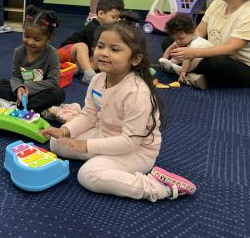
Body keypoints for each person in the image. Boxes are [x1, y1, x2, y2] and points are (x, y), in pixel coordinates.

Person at [40, 22, 197, 202]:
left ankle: (159, 188)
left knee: (88, 175)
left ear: (135, 59)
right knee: (56, 143)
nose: (104, 53)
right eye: (100, 46)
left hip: (137, 151)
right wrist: (64, 131)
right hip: (105, 135)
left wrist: (85, 145)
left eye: (114, 49)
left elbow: (129, 142)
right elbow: (89, 115)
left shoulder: (137, 92)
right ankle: (102, 158)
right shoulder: (98, 79)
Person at [169, 0, 250, 89]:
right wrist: (183, 45)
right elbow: (199, 32)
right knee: (172, 42)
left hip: (239, 65)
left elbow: (232, 48)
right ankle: (192, 72)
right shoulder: (218, 2)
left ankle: (187, 70)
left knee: (217, 62)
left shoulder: (247, 12)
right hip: (212, 52)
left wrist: (192, 53)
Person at [0, 5, 65, 112]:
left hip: (40, 92)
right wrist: (19, 88)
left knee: (58, 93)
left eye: (37, 39)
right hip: (21, 92)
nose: (30, 42)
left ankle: (17, 106)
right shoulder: (19, 51)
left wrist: (27, 87)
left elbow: (53, 82)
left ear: (48, 39)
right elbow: (16, 76)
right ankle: (29, 106)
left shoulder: (52, 54)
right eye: (26, 36)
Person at [58, 0, 124, 83]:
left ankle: (78, 70)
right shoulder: (93, 28)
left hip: (78, 59)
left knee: (102, 60)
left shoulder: (104, 29)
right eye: (113, 17)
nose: (116, 21)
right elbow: (96, 51)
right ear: (101, 14)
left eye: (117, 18)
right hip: (64, 52)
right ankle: (88, 74)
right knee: (83, 47)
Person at [159, 15, 212, 84]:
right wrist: (164, 60)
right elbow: (169, 49)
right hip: (191, 58)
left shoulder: (196, 43)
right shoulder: (183, 39)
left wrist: (183, 72)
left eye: (181, 38)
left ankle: (189, 75)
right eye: (175, 39)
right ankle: (191, 76)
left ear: (192, 33)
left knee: (183, 66)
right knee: (170, 47)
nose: (177, 41)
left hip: (208, 60)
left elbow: (187, 58)